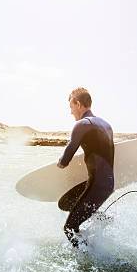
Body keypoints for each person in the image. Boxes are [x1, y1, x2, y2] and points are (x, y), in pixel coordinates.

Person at [57, 88, 115, 247]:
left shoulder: (81, 125)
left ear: (78, 103)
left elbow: (66, 157)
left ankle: (88, 259)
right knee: (66, 203)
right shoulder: (106, 125)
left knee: (69, 227)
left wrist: (60, 162)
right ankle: (102, 218)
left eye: (71, 107)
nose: (71, 112)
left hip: (96, 186)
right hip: (108, 185)